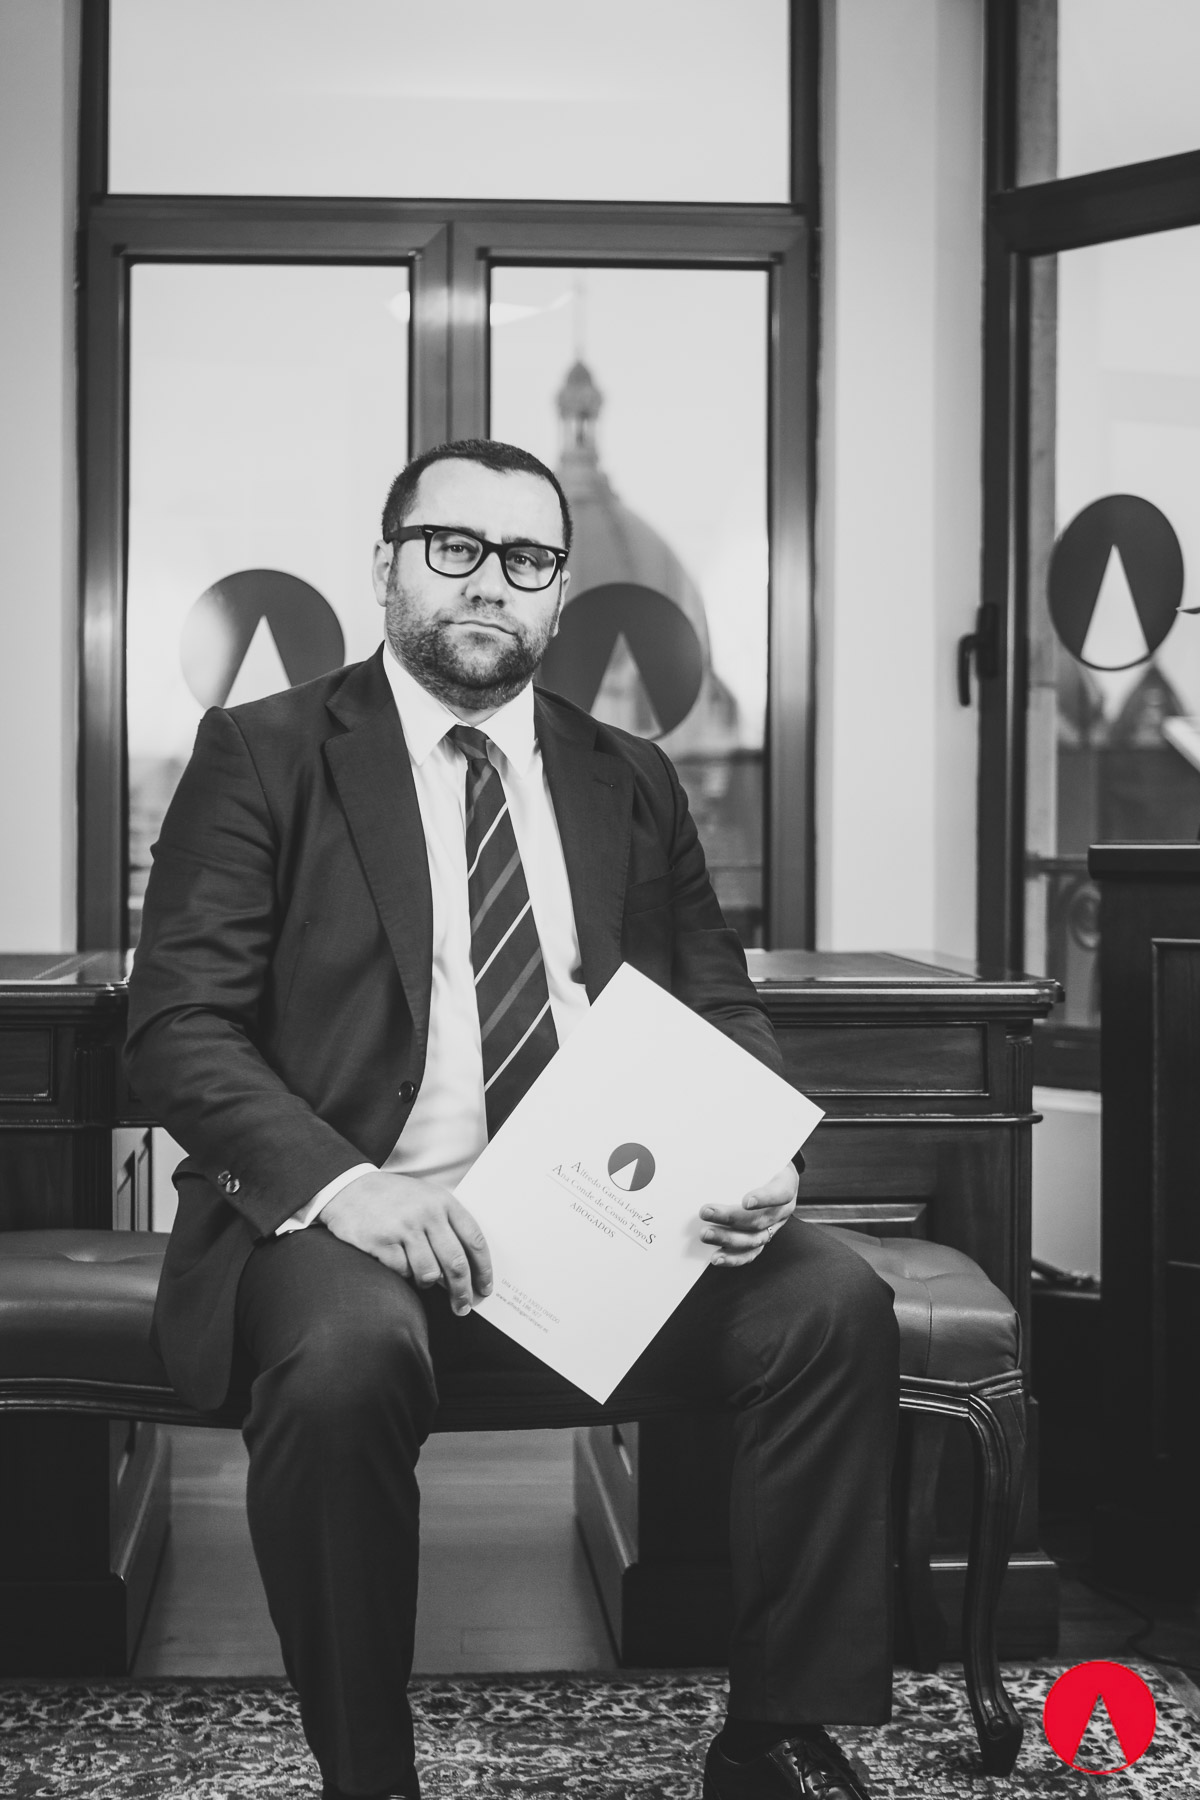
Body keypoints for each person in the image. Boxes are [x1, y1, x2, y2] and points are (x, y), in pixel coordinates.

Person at [126, 438, 900, 1800]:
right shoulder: (263, 751)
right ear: (386, 566)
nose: (492, 581)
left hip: (600, 1214)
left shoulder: (630, 773)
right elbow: (178, 1025)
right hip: (355, 1221)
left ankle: (773, 1736)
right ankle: (369, 1773)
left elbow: (715, 996)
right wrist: (347, 1188)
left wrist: (757, 1150)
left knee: (833, 1301)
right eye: (456, 547)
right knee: (347, 1359)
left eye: (528, 559)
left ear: (559, 594)